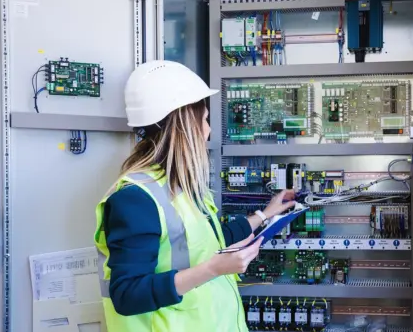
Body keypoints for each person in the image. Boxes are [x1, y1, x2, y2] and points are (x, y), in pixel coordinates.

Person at [93, 60, 296, 332]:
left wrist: (265, 215)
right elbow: (127, 295)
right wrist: (214, 268)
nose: (209, 130)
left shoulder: (180, 187)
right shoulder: (136, 199)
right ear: (186, 125)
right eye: (205, 120)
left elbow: (208, 238)